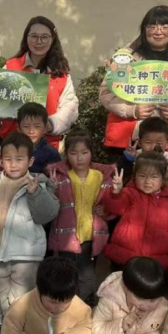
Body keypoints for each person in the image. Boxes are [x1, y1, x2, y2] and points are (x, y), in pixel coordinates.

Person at [99, 6, 168, 159]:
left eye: (165, 26)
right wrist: (131, 110)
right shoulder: (126, 56)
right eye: (152, 26)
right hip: (128, 138)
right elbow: (105, 92)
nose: (158, 31)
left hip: (164, 144)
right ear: (144, 29)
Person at [0, 132, 60, 310]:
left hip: (25, 257)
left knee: (21, 304)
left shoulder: (38, 184)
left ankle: (16, 327)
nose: (13, 164)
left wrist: (36, 193)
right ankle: (2, 327)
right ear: (1, 161)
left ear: (30, 161)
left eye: (19, 159)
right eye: (8, 159)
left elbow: (47, 215)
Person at [46, 130, 115, 304]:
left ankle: (84, 304)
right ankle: (65, 304)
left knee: (87, 275)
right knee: (66, 273)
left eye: (84, 152)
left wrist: (107, 211)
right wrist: (51, 189)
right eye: (73, 153)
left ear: (91, 153)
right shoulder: (60, 176)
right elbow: (51, 205)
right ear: (66, 154)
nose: (79, 158)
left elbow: (112, 203)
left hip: (91, 235)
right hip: (67, 237)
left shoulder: (100, 176)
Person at [0, 16, 79, 147]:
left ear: (52, 40)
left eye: (44, 37)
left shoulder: (61, 74)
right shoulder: (10, 67)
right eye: (34, 36)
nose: (39, 41)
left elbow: (70, 107)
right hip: (12, 146)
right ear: (27, 38)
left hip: (47, 147)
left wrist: (51, 124)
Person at [101, 152, 168, 271]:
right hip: (125, 254)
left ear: (163, 177)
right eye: (142, 176)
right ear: (135, 176)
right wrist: (116, 193)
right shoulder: (129, 193)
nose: (147, 181)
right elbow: (114, 208)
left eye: (154, 177)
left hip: (155, 260)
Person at [117, 117, 168, 183]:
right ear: (140, 143)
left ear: (167, 144)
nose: (153, 147)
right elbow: (121, 175)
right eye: (148, 142)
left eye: (159, 143)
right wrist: (128, 159)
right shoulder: (136, 156)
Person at [17, 102, 61, 174]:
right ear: (18, 128)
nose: (31, 131)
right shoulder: (12, 148)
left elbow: (57, 177)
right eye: (26, 126)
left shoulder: (51, 154)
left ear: (45, 128)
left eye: (37, 126)